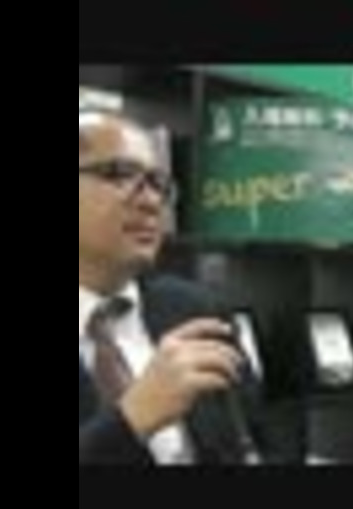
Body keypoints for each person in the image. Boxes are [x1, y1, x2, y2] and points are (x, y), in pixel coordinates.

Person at [79, 108, 272, 465]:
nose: (151, 202)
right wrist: (131, 420)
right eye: (121, 175)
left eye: (158, 184)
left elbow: (254, 437)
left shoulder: (194, 309)